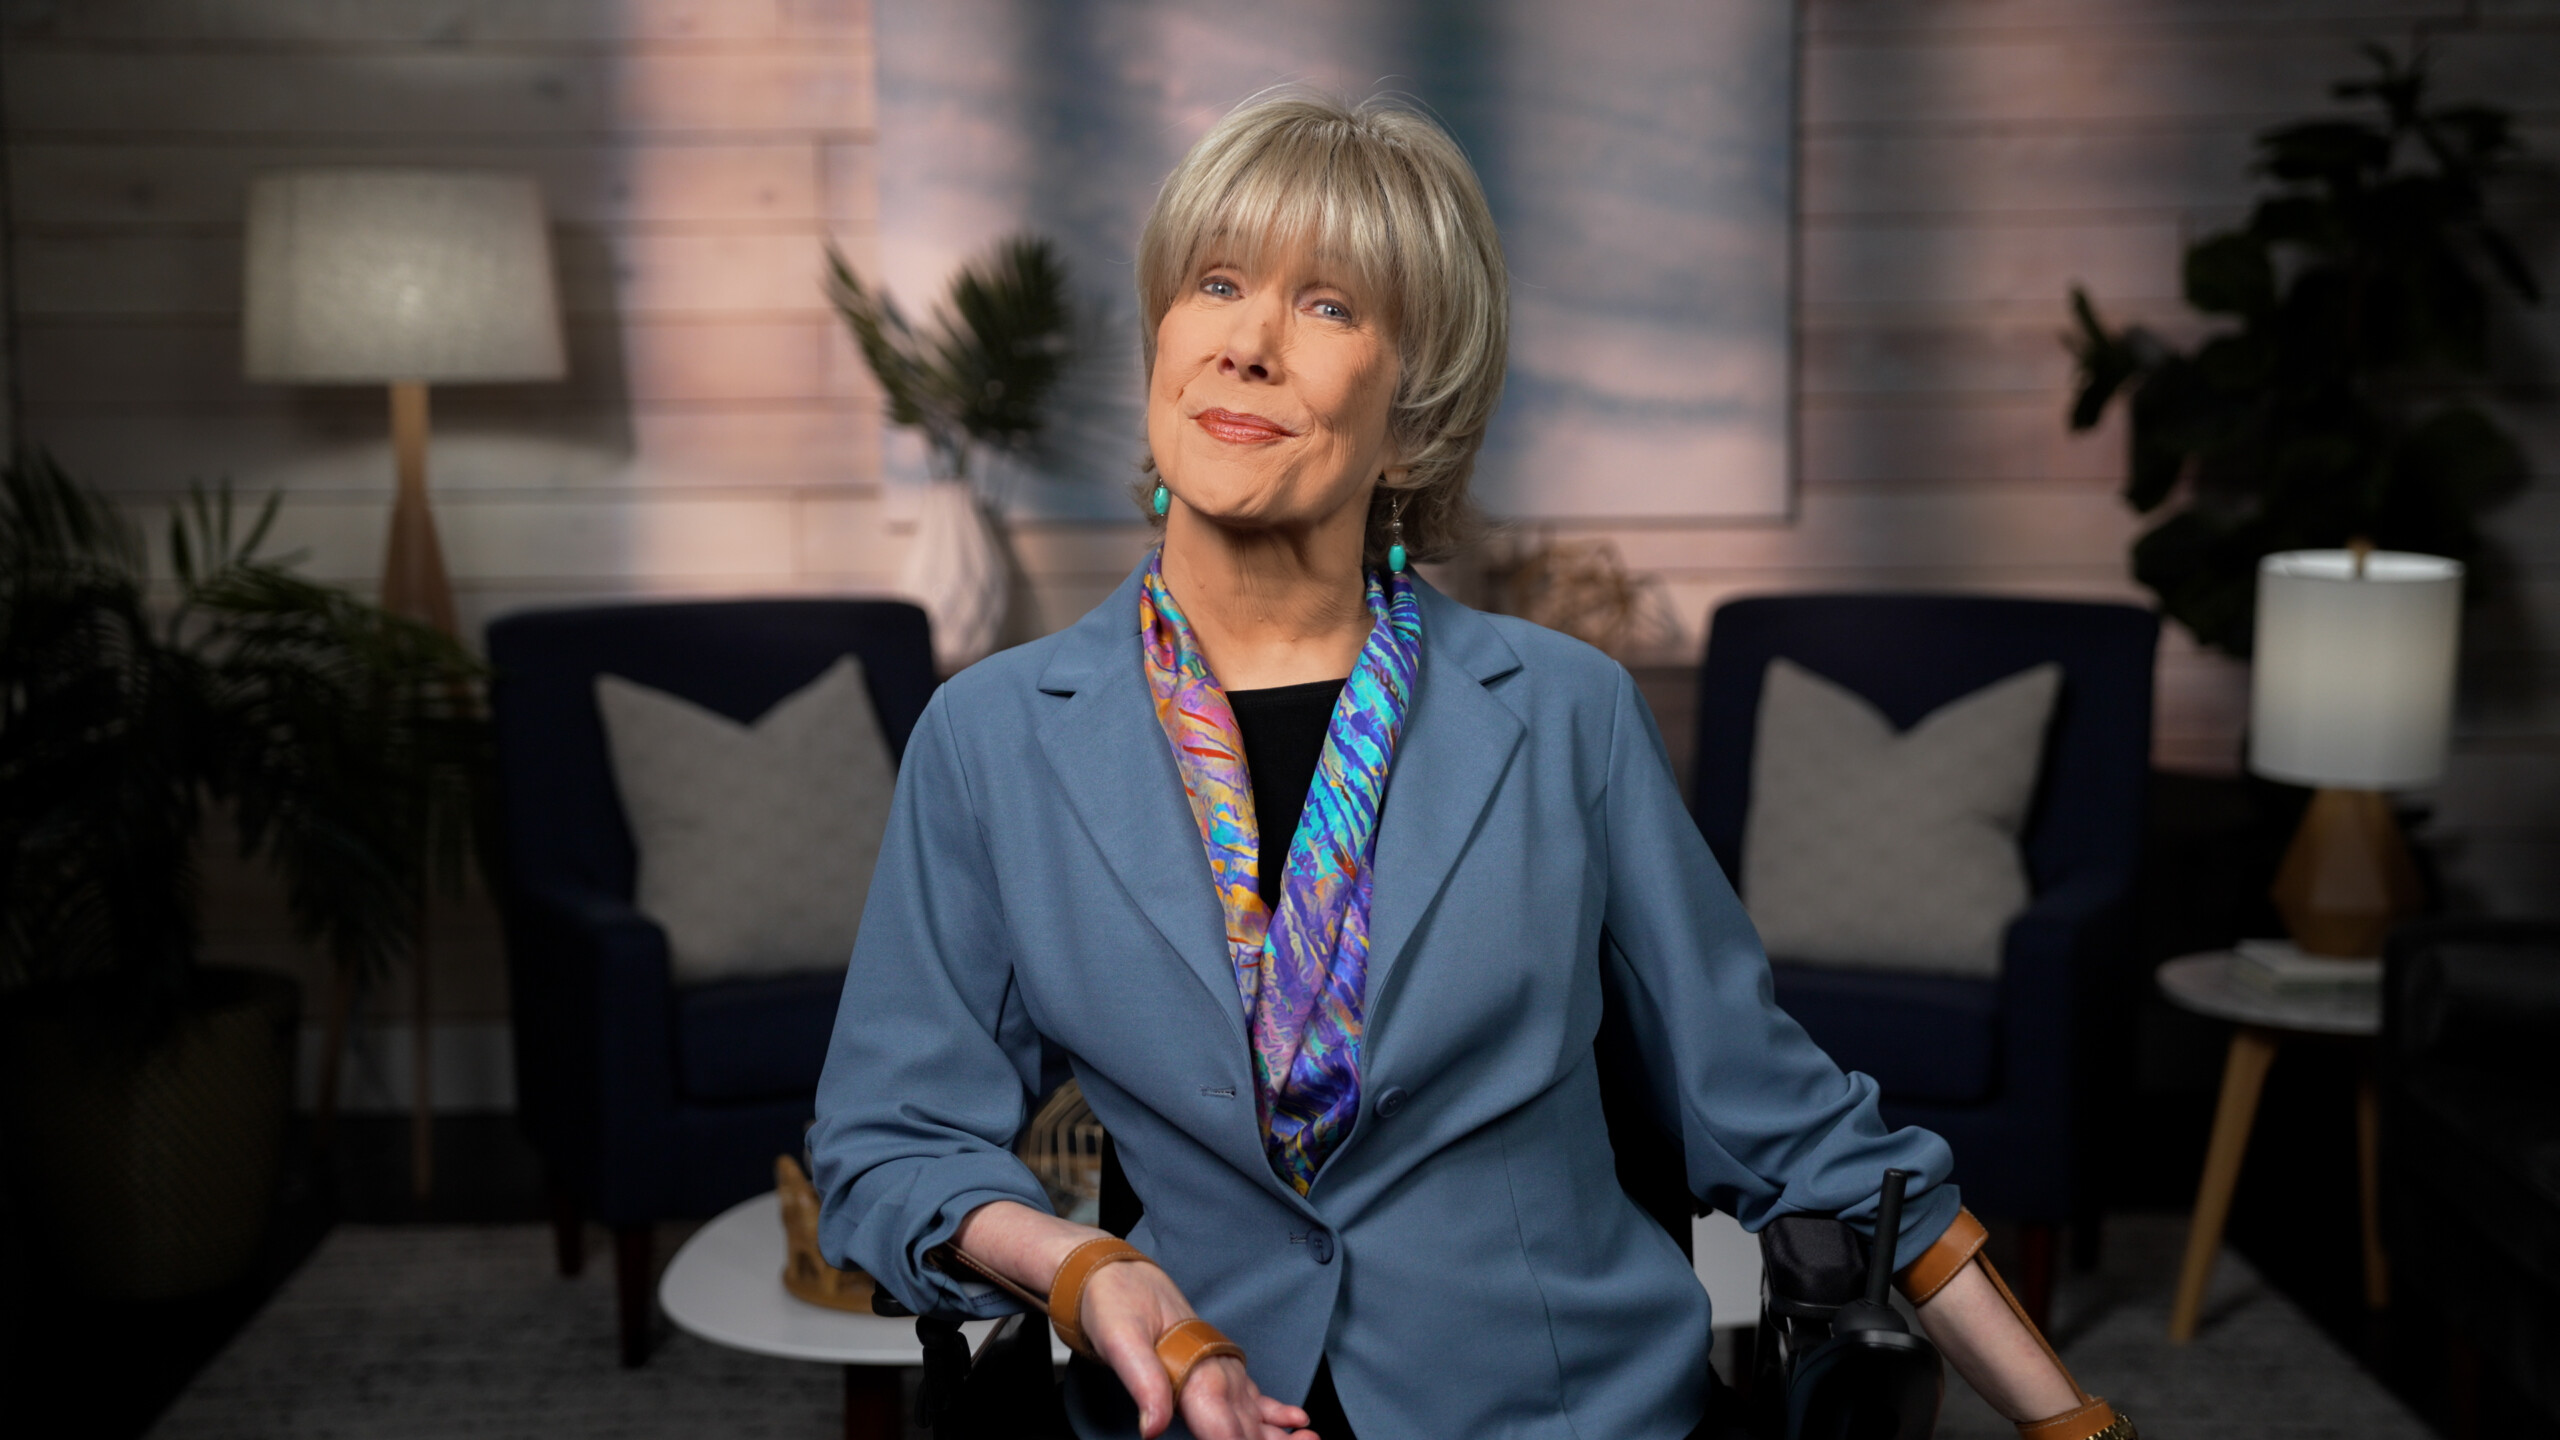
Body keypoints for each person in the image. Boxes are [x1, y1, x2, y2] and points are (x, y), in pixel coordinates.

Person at [812, 91, 2133, 1440]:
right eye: (1216, 283)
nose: (1249, 345)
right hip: (1185, 1406)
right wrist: (1089, 1270)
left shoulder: (1568, 715)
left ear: (1412, 418)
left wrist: (2067, 1421)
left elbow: (1786, 1121)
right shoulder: (991, 741)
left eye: (1329, 307)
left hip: (1565, 1413)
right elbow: (887, 1136)